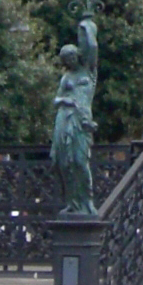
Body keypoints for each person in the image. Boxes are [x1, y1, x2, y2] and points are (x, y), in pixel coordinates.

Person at [50, 14, 99, 216]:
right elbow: (56, 99)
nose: (68, 62)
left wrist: (86, 27)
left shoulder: (89, 72)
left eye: (70, 57)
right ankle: (72, 202)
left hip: (82, 121)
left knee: (79, 161)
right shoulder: (66, 77)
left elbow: (93, 48)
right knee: (62, 161)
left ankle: (86, 202)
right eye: (65, 60)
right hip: (65, 118)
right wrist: (65, 101)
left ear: (77, 56)